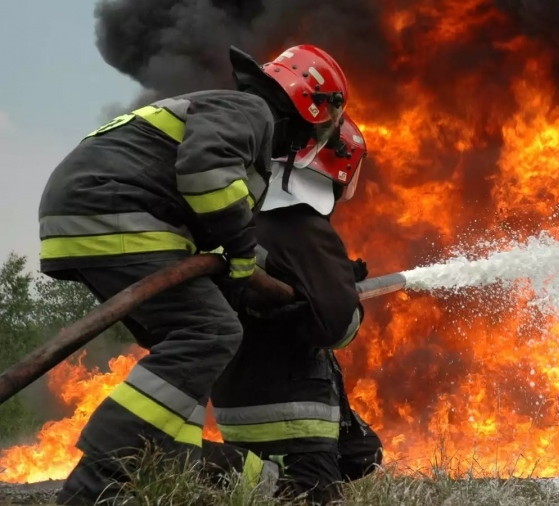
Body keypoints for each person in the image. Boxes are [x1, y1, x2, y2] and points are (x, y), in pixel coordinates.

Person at [40, 44, 350, 505]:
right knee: (211, 332)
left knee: (184, 352)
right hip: (114, 209)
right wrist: (242, 253)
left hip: (88, 214)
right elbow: (205, 175)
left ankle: (163, 462)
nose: (310, 140)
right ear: (310, 106)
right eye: (321, 128)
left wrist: (251, 276)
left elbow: (205, 218)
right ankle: (98, 479)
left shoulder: (228, 112)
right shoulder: (252, 112)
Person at [207, 115, 383, 504]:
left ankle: (257, 479)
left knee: (362, 453)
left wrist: (332, 280)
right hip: (291, 412)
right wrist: (345, 297)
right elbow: (337, 326)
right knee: (310, 495)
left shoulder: (245, 220)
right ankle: (240, 475)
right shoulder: (302, 225)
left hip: (238, 402)